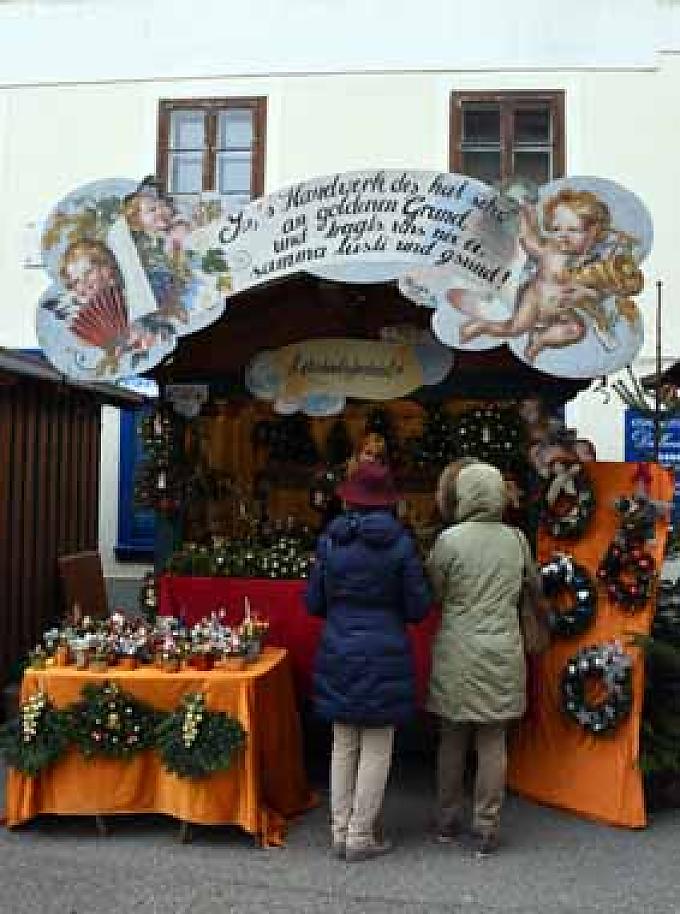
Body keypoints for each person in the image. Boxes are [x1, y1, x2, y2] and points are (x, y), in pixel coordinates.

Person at [305, 461, 431, 862]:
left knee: (343, 742)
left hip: (339, 648)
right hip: (384, 651)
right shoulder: (401, 545)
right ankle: (361, 833)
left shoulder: (330, 542)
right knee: (377, 744)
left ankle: (340, 831)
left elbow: (314, 603)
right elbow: (418, 608)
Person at [428, 459, 531, 857]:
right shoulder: (516, 540)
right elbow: (531, 585)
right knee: (493, 739)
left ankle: (446, 819)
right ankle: (486, 826)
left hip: (457, 646)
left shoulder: (449, 540)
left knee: (452, 738)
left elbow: (435, 591)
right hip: (503, 647)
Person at [454, 188, 643, 362]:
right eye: (556, 229)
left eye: (573, 230)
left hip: (562, 310)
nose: (563, 235)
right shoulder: (550, 252)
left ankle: (541, 339)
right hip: (535, 300)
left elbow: (598, 294)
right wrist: (526, 213)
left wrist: (585, 293)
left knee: (576, 330)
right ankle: (480, 326)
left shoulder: (593, 263)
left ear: (592, 233)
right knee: (514, 328)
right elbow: (529, 240)